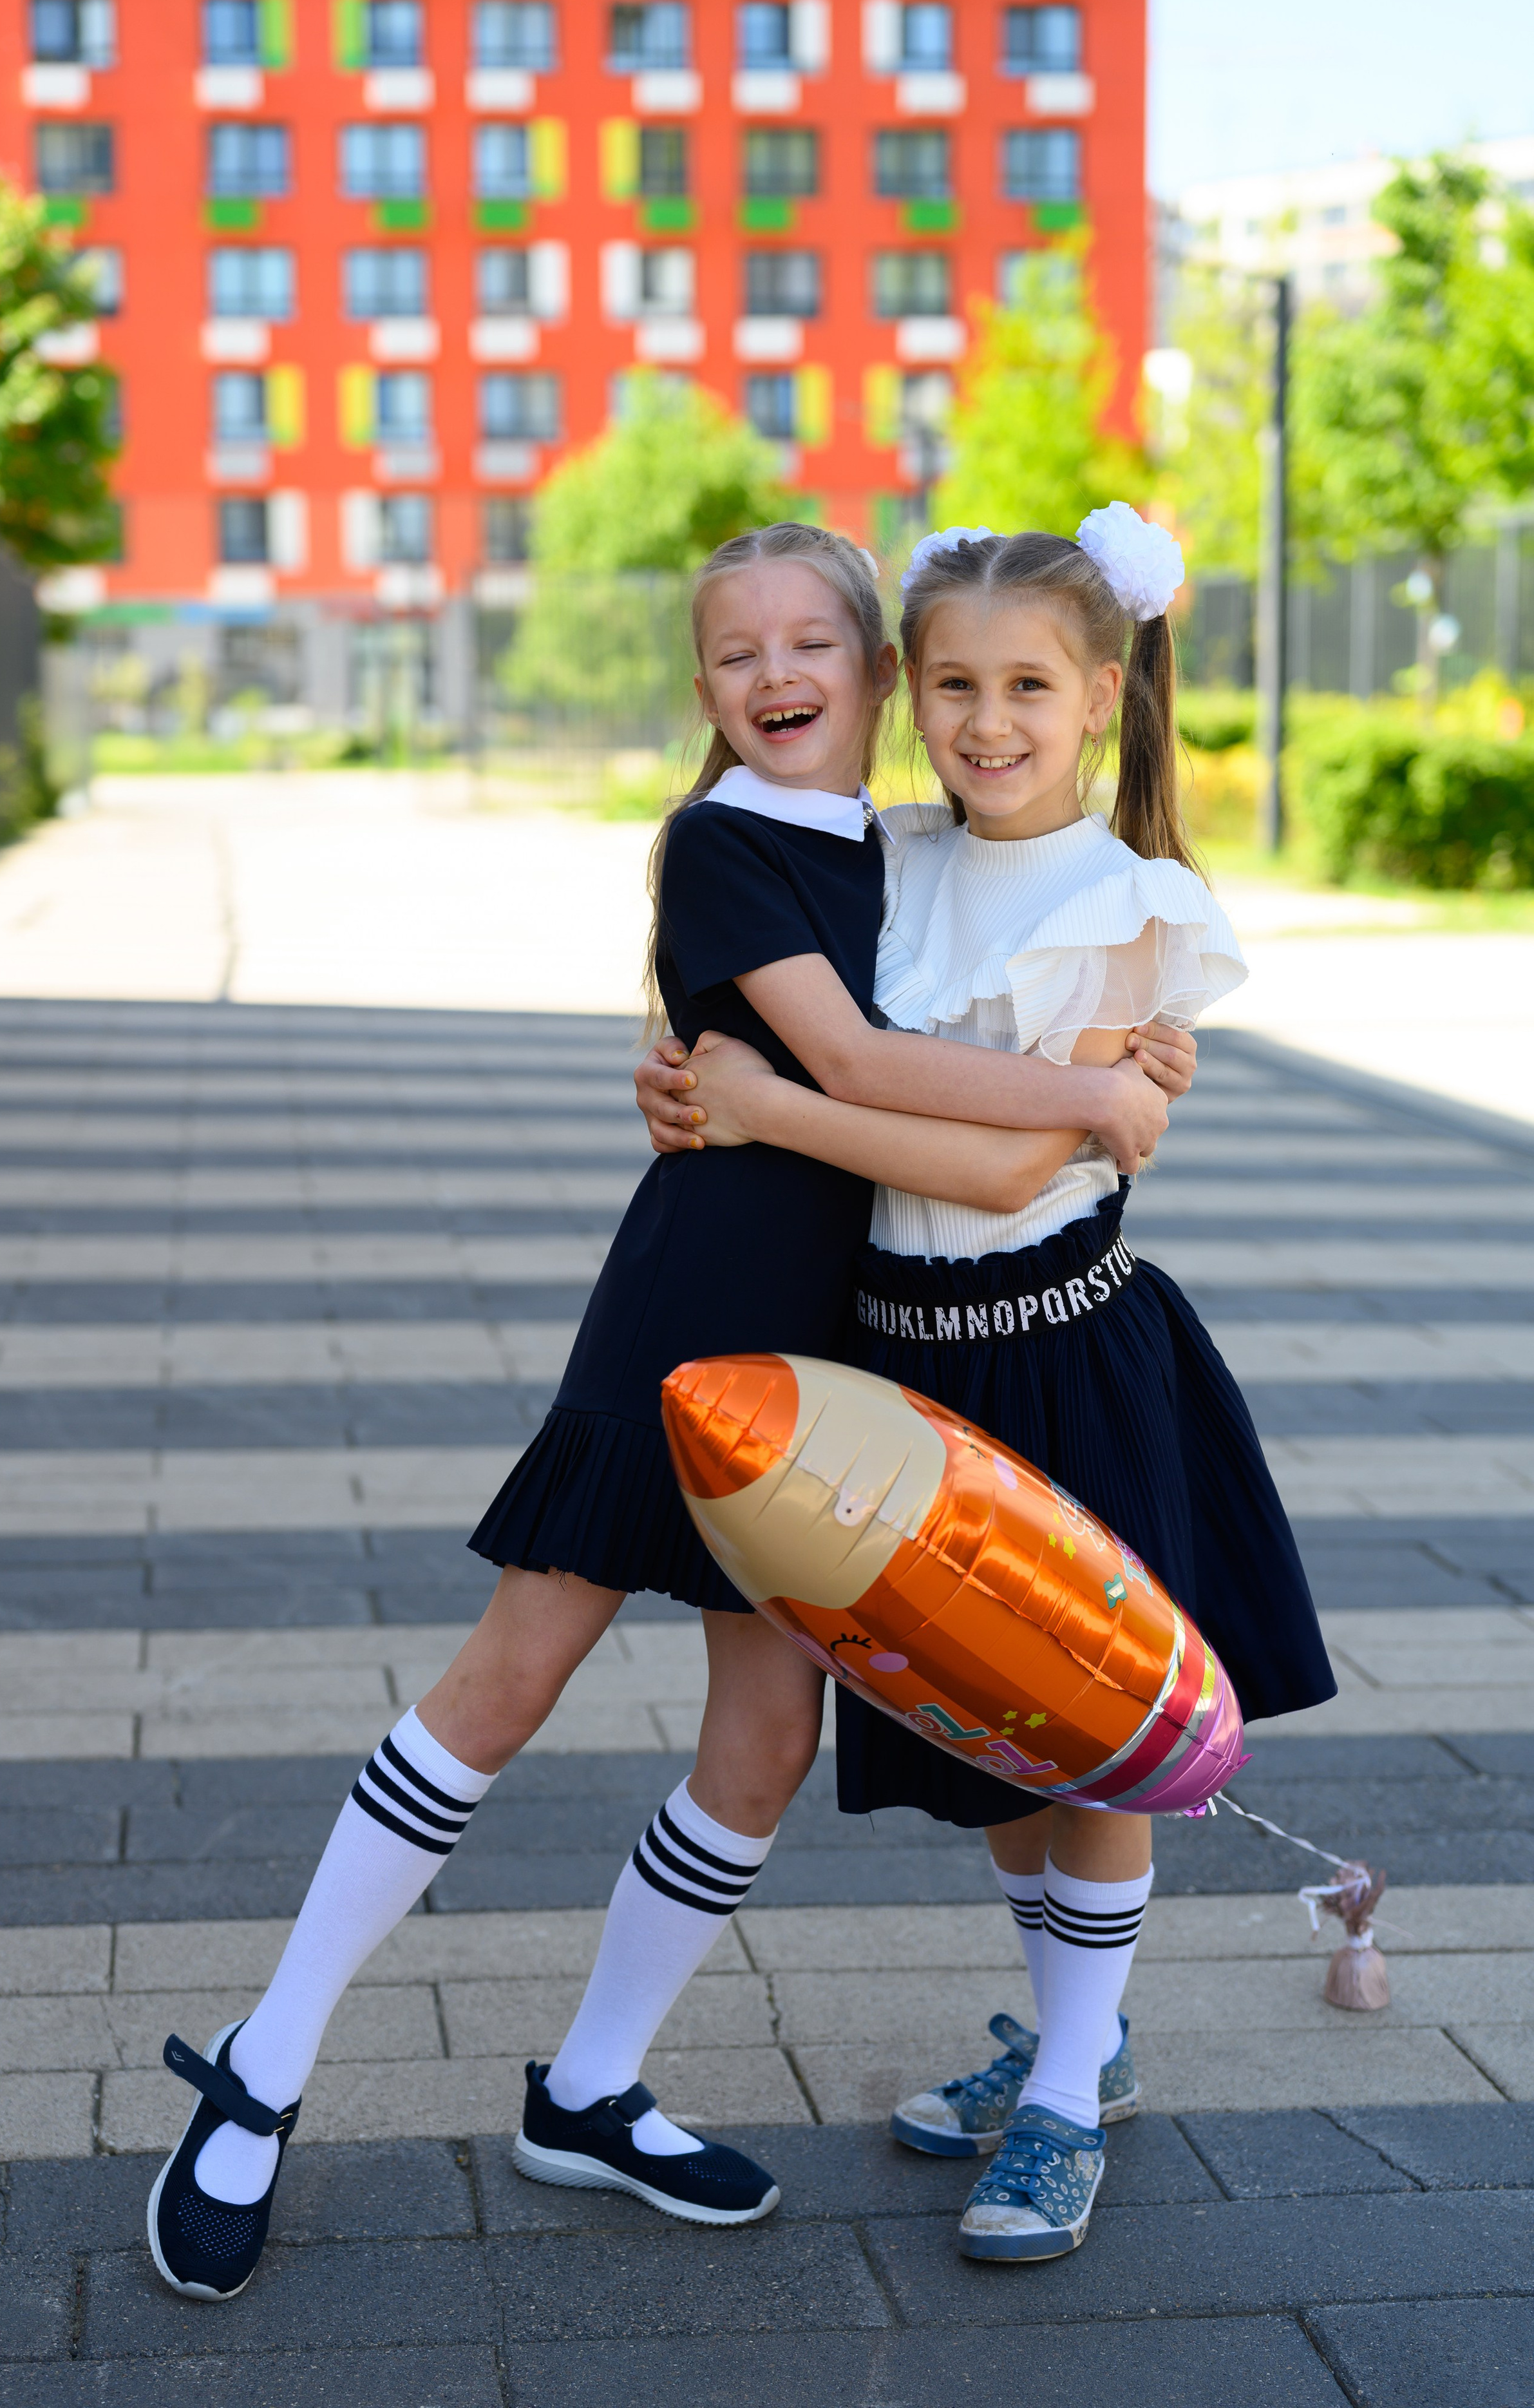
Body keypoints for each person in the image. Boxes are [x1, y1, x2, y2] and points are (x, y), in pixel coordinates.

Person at [145, 521, 1183, 2301]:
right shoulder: (719, 840)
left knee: (764, 1742)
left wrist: (1120, 1060)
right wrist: (1090, 1096)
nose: (777, 678)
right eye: (734, 656)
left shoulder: (920, 849)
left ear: (878, 672)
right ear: (704, 691)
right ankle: (264, 2063)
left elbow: (973, 988)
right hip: (690, 1325)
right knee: (511, 1674)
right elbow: (846, 1070)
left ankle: (592, 2088)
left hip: (847, 1362)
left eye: (813, 647)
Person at [635, 511, 1336, 2264]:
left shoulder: (1129, 907)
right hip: (906, 1358)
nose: (988, 721)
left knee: (1089, 1740)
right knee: (998, 1731)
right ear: (904, 688)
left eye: (1030, 685)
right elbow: (807, 1023)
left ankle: (1068, 2094)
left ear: (1103, 695)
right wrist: (684, 1073)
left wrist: (766, 1106)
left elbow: (1005, 1159)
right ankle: (1068, 2048)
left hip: (1063, 1346)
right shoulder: (885, 853)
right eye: (953, 684)